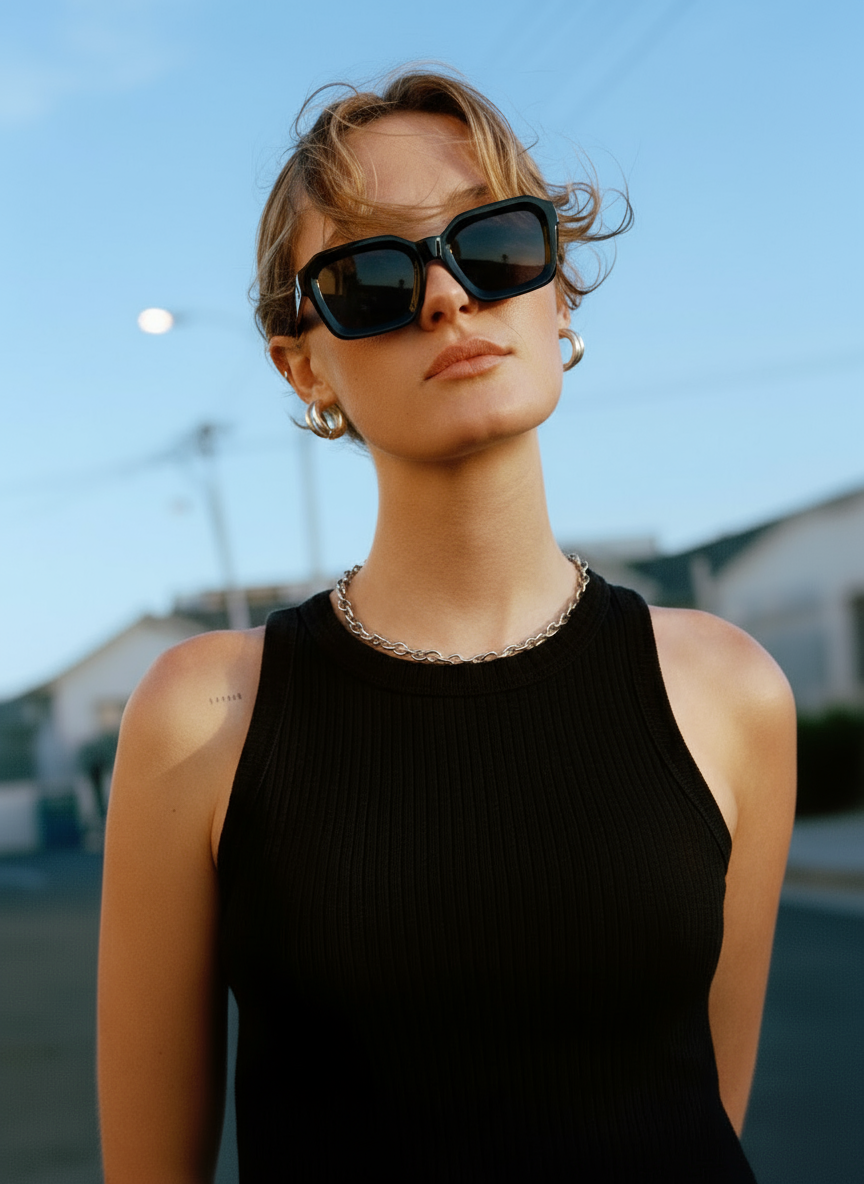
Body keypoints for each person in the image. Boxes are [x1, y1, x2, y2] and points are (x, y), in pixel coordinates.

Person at [97, 68, 796, 1182]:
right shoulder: (205, 715)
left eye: (496, 245)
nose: (445, 296)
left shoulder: (730, 690)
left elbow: (704, 1106)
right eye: (371, 275)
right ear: (303, 362)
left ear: (556, 294)